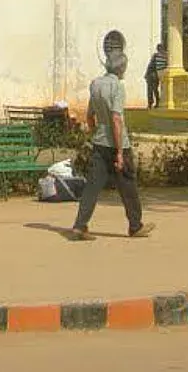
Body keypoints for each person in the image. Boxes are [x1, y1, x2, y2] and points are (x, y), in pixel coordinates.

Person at [69, 43, 155, 241]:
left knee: (92, 186)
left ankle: (80, 225)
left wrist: (96, 133)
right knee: (128, 185)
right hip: (118, 145)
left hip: (100, 143)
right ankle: (135, 225)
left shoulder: (96, 84)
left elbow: (90, 116)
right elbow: (117, 119)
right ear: (121, 68)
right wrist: (118, 152)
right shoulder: (117, 87)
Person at [144, 43, 166, 109]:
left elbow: (150, 65)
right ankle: (156, 102)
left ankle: (152, 103)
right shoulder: (166, 55)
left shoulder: (156, 55)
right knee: (155, 89)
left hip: (153, 74)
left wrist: (146, 74)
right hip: (157, 74)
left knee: (151, 89)